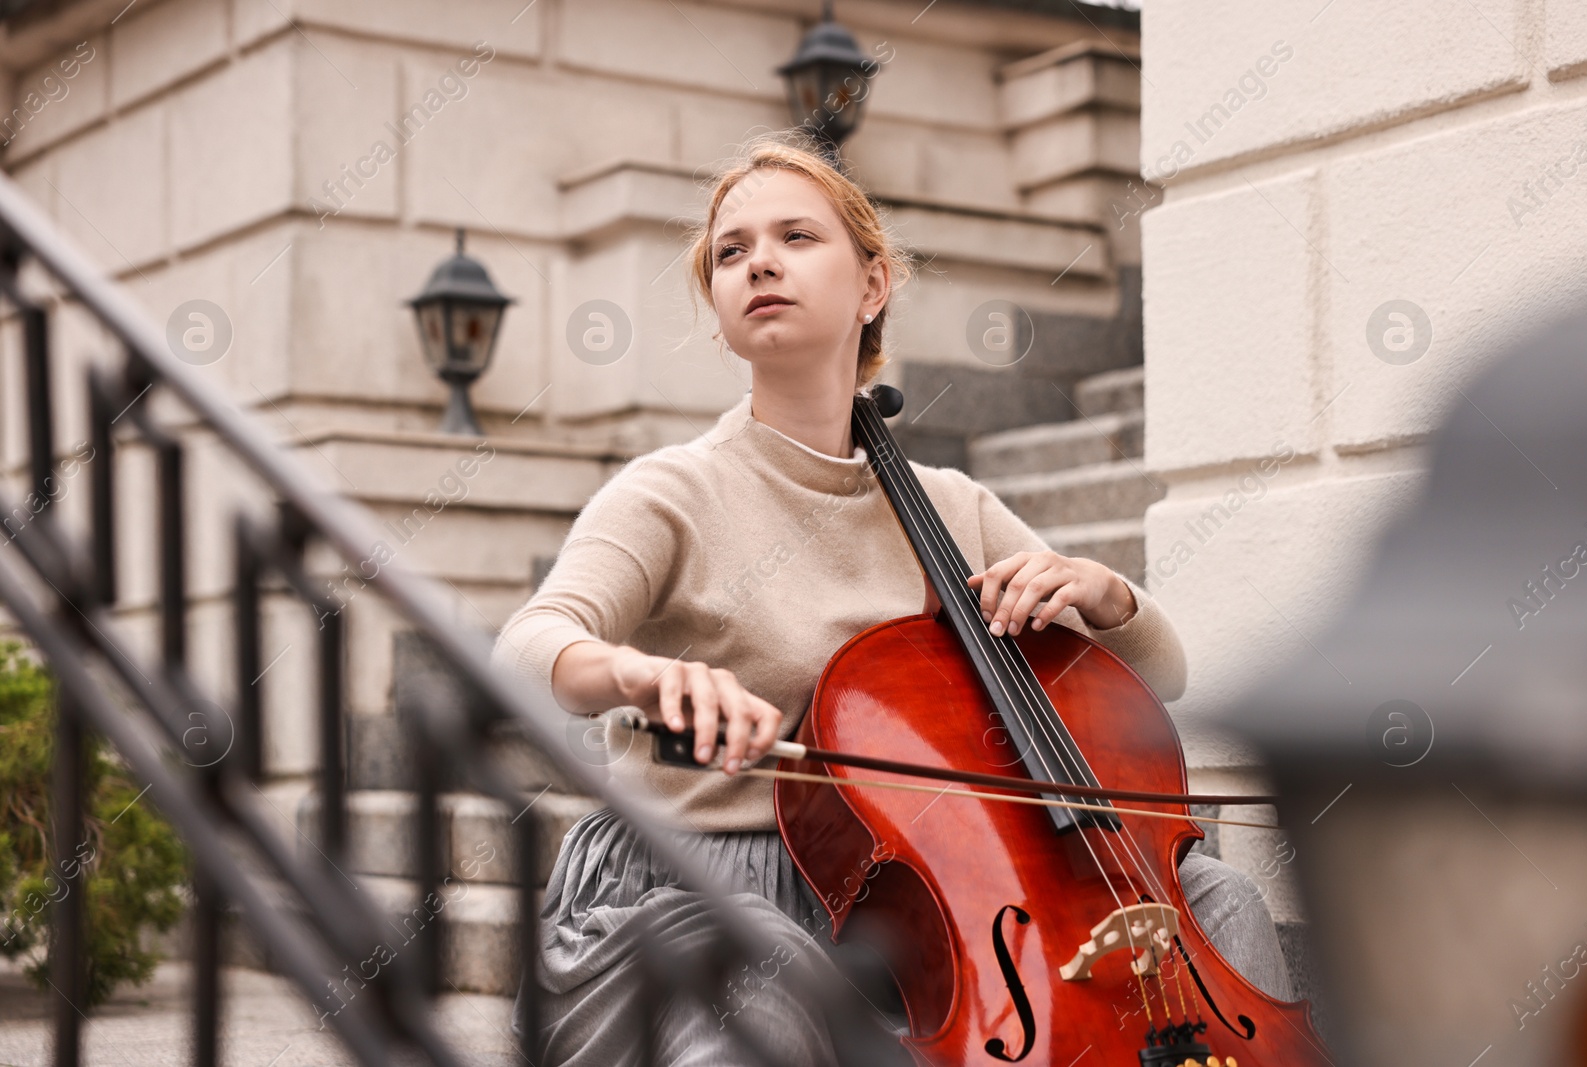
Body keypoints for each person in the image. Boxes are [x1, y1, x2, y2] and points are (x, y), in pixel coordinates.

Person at [490, 131, 1293, 1066]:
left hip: (910, 886)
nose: (759, 264)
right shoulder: (672, 491)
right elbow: (531, 644)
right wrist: (640, 674)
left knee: (1219, 901)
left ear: (873, 286)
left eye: (795, 236)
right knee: (766, 976)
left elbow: (1167, 673)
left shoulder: (951, 506)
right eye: (731, 252)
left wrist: (1105, 595)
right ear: (717, 310)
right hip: (697, 884)